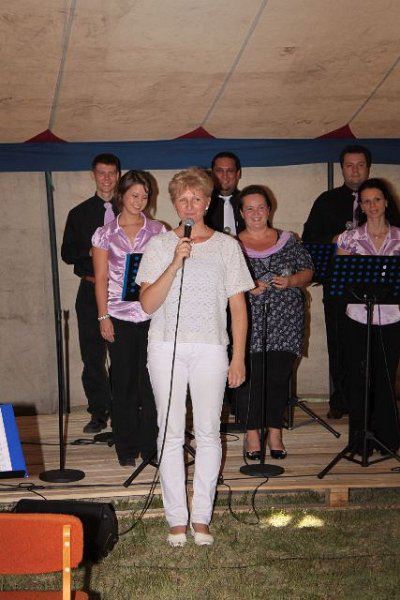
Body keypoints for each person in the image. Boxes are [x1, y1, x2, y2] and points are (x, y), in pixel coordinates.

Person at [136, 167, 253, 546]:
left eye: (196, 198)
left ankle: (201, 518)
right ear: (173, 203)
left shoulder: (227, 246)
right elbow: (148, 304)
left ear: (207, 203)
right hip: (165, 347)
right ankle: (176, 519)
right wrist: (174, 263)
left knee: (208, 432)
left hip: (211, 348)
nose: (189, 205)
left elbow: (238, 307)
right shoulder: (158, 245)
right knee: (169, 432)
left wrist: (238, 357)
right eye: (182, 199)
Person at [91, 170, 165, 466]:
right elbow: (100, 278)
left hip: (152, 315)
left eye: (145, 196)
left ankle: (150, 447)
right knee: (122, 383)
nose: (140, 201)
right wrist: (103, 316)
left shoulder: (158, 230)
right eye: (135, 195)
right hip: (118, 316)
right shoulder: (105, 233)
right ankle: (126, 447)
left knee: (151, 383)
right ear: (122, 195)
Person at [237, 185, 313, 459]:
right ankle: (252, 433)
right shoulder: (231, 244)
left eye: (261, 207)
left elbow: (308, 271)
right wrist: (247, 286)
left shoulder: (288, 240)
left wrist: (291, 281)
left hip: (286, 319)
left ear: (269, 210)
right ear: (241, 213)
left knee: (279, 377)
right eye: (250, 208)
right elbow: (222, 280)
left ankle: (275, 431)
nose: (256, 213)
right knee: (251, 377)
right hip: (248, 320)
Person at [302, 144, 372, 420]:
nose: (355, 170)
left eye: (360, 165)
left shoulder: (379, 198)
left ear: (368, 168)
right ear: (342, 168)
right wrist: (334, 240)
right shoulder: (326, 200)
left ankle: (370, 401)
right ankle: (340, 400)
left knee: (370, 344)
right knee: (339, 342)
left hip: (375, 285)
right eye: (349, 165)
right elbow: (309, 240)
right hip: (338, 284)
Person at [336, 178, 400, 454]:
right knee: (359, 377)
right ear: (360, 206)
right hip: (358, 317)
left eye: (377, 199)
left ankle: (387, 439)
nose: (372, 205)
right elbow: (341, 279)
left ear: (386, 202)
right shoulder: (348, 238)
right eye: (366, 201)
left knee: (386, 376)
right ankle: (360, 440)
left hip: (392, 317)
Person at [61, 153, 121, 433]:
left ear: (118, 175)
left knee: (123, 353)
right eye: (101, 173)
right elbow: (67, 253)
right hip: (88, 289)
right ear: (93, 175)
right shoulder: (79, 213)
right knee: (92, 355)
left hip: (120, 291)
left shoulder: (130, 209)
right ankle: (98, 412)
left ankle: (123, 410)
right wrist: (94, 249)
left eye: (111, 173)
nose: (106, 178)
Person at [205, 151, 245, 235]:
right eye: (219, 171)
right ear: (212, 174)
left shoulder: (248, 202)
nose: (225, 176)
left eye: (230, 171)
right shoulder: (201, 203)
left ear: (238, 174)